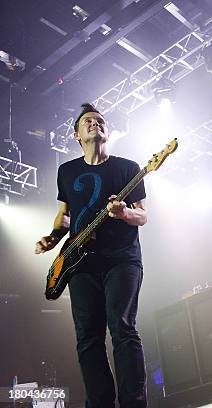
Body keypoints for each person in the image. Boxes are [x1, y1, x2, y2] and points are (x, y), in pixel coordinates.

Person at [35, 103, 148, 406]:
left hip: (122, 259)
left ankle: (133, 402)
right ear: (76, 135)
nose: (95, 123)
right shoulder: (67, 171)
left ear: (106, 132)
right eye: (88, 121)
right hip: (80, 264)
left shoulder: (127, 167)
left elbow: (143, 216)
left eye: (100, 121)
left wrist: (124, 213)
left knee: (121, 327)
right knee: (88, 339)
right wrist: (53, 236)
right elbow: (64, 214)